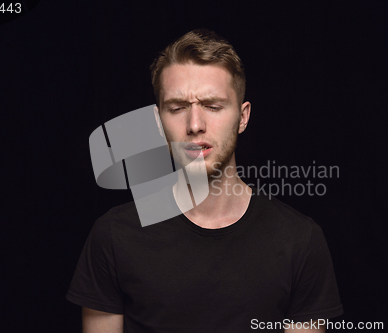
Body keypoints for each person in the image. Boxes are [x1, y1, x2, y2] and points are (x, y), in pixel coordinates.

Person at [66, 29, 343, 333]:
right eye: (177, 108)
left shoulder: (300, 241)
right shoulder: (114, 236)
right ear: (159, 122)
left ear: (242, 116)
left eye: (212, 106)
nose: (195, 125)